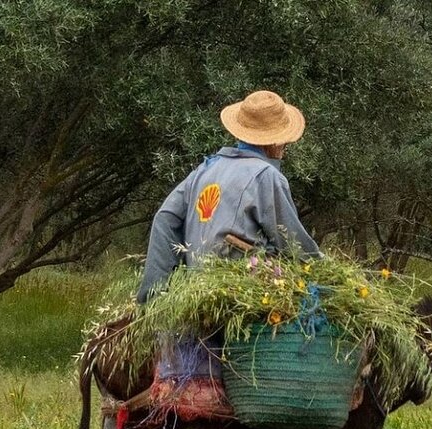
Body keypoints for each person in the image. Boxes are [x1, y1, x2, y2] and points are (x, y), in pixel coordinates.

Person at [137, 90, 322, 303]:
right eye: (284, 142)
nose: (285, 149)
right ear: (274, 143)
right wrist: (324, 270)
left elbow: (165, 219)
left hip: (197, 294)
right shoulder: (266, 176)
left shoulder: (204, 170)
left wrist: (155, 293)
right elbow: (292, 243)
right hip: (242, 296)